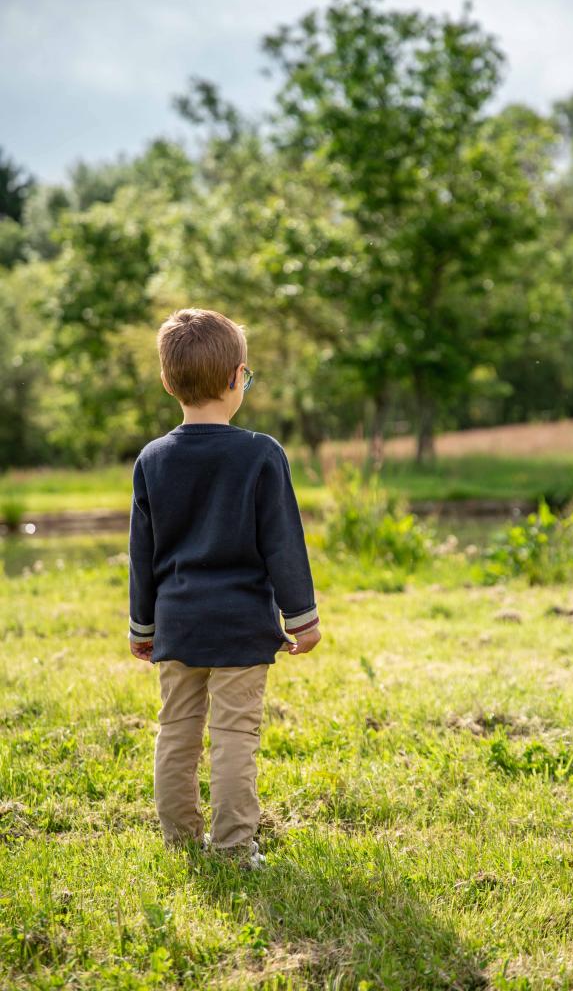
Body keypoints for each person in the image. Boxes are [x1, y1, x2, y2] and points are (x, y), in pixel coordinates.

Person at [128, 307, 322, 870]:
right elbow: (283, 543)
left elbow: (144, 556)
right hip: (241, 625)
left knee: (177, 731)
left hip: (179, 624)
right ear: (238, 377)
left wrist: (143, 628)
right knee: (235, 733)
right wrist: (302, 619)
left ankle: (180, 839)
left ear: (168, 382)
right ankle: (236, 846)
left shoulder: (153, 460)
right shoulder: (261, 454)